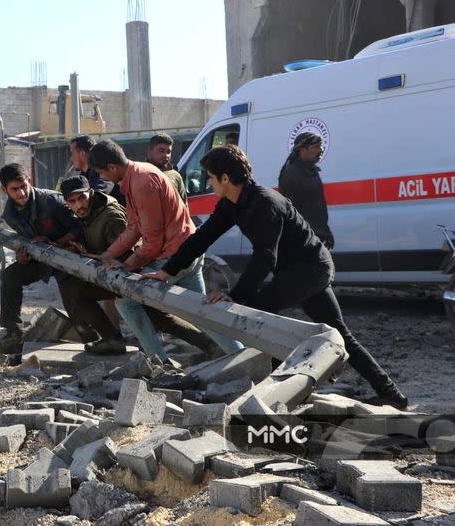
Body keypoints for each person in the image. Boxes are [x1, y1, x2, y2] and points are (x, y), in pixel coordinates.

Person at [142, 144, 407, 409]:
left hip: (311, 269)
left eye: (210, 176)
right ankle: (392, 395)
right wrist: (168, 271)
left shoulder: (265, 204)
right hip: (296, 271)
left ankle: (280, 390)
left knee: (253, 314)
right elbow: (202, 237)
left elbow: (265, 258)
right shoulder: (231, 204)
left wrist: (234, 296)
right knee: (337, 333)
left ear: (225, 178)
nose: (208, 182)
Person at [88, 140, 242, 361]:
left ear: (112, 167)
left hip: (176, 256)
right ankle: (241, 356)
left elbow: (152, 243)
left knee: (126, 302)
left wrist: (127, 265)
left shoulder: (141, 182)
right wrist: (108, 255)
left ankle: (158, 362)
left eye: (102, 172)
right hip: (186, 251)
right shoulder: (137, 175)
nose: (102, 178)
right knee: (202, 312)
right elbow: (134, 228)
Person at [60, 175, 226, 357]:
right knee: (160, 318)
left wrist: (101, 258)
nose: (78, 205)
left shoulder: (110, 216)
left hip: (130, 272)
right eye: (72, 201)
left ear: (90, 193)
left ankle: (122, 343)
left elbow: (126, 253)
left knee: (157, 315)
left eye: (82, 198)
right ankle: (209, 346)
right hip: (120, 272)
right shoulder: (88, 213)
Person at [0, 163, 82, 354]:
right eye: (14, 190)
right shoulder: (9, 214)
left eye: (23, 187)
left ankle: (91, 336)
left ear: (29, 182)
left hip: (70, 255)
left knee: (74, 299)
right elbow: (23, 240)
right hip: (42, 259)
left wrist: (54, 242)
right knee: (10, 276)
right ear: (4, 190)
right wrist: (21, 254)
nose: (21, 193)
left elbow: (79, 228)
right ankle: (13, 332)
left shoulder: (51, 201)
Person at [278, 132, 334, 249]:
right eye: (316, 147)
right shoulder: (291, 175)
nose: (321, 150)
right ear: (302, 149)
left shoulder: (313, 171)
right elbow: (288, 213)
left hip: (317, 238)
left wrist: (326, 232)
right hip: (302, 242)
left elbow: (318, 206)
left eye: (321, 146)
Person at [69, 135, 124, 205]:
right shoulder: (83, 176)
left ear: (82, 154)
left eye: (72, 154)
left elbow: (98, 195)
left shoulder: (102, 170)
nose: (71, 159)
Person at [146, 133, 187, 203]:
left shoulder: (175, 176)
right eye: (161, 151)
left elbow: (184, 206)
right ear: (150, 151)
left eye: (168, 152)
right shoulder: (139, 174)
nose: (166, 155)